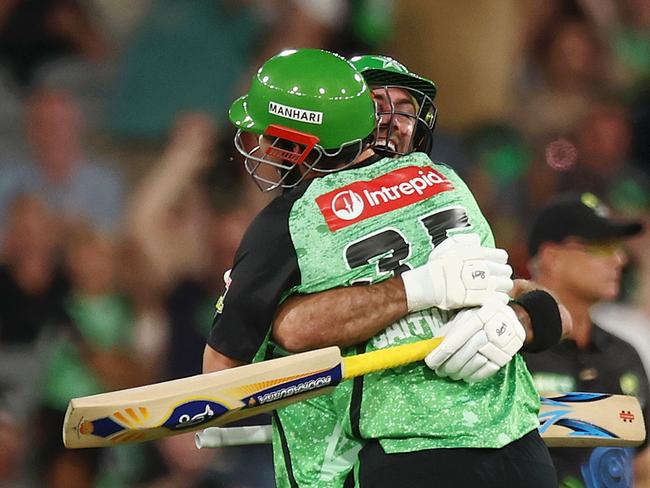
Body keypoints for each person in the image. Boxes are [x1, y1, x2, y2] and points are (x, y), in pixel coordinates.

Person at [204, 49, 565, 487]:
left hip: (401, 452)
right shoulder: (447, 180)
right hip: (517, 444)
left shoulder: (292, 219)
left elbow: (220, 383)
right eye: (377, 105)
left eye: (405, 109)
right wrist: (424, 288)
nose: (391, 121)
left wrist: (521, 317)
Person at [523, 192, 650, 488]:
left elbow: (644, 469)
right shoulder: (510, 350)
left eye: (618, 247)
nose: (619, 259)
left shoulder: (624, 354)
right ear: (551, 258)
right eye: (601, 246)